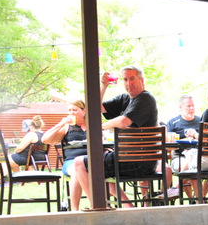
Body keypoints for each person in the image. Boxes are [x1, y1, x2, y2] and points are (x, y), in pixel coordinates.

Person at [68, 66, 159, 208]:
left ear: (141, 80)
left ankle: (98, 207)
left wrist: (100, 126)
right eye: (125, 80)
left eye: (132, 79)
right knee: (96, 163)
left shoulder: (145, 99)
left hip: (139, 161)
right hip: (128, 158)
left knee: (79, 163)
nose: (129, 83)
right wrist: (104, 85)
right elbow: (94, 108)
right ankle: (125, 206)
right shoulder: (125, 99)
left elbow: (124, 122)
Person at [41, 100, 88, 210]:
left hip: (90, 160)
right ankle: (75, 210)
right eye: (69, 110)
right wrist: (61, 124)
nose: (71, 113)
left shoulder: (93, 125)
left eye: (74, 110)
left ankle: (101, 204)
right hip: (71, 162)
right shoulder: (67, 127)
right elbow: (45, 139)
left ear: (84, 111)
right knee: (76, 172)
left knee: (102, 171)